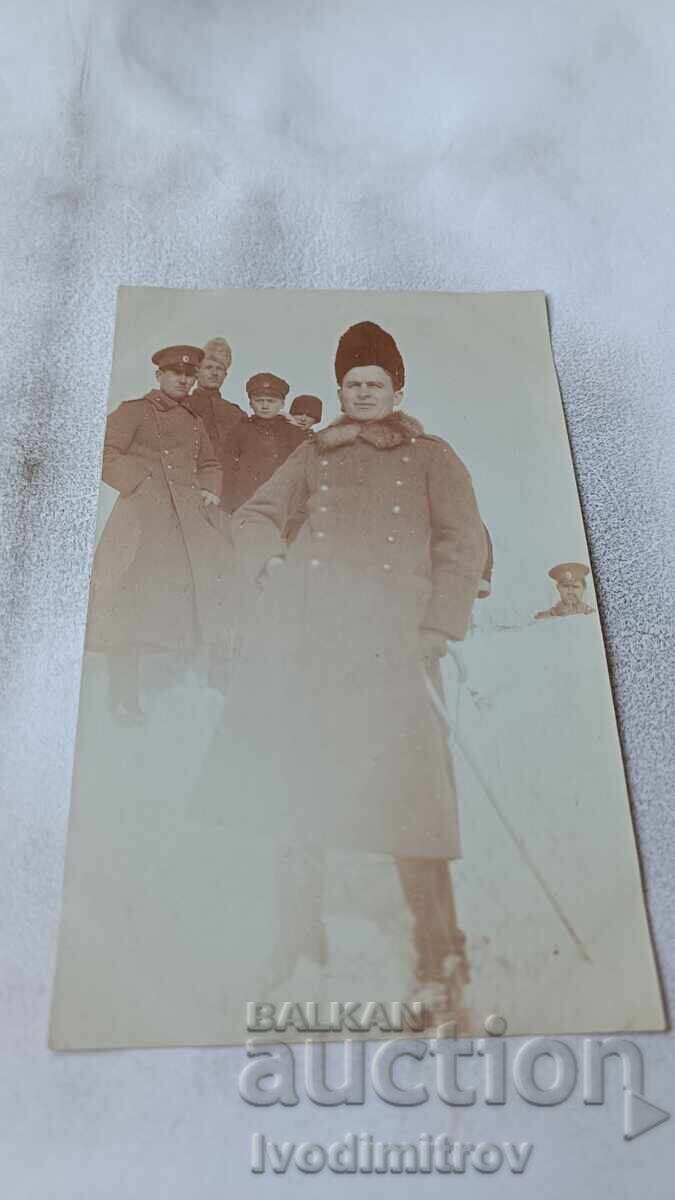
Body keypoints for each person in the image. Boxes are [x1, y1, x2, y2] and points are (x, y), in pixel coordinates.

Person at [194, 321, 487, 1009]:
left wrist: (440, 623)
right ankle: (297, 944)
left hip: (396, 648)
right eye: (351, 384)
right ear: (339, 390)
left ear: (396, 389)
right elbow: (255, 517)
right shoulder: (313, 455)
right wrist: (270, 561)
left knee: (414, 807)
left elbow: (461, 542)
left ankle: (439, 953)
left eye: (374, 383)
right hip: (312, 650)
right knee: (297, 795)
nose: (361, 393)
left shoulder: (430, 456)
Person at [86, 345, 235, 723]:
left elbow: (211, 463)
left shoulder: (194, 421)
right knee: (128, 605)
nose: (183, 379)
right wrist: (139, 482)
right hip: (140, 521)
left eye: (189, 374)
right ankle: (123, 696)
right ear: (159, 376)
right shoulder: (134, 411)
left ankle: (180, 691)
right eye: (174, 373)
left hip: (182, 526)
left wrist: (209, 488)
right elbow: (101, 450)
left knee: (180, 604)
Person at [220, 372, 306, 513]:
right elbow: (227, 469)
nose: (265, 406)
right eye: (259, 400)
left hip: (284, 505)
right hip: (246, 503)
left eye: (271, 401)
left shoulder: (296, 435)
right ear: (250, 403)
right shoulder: (239, 431)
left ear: (282, 404)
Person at [188, 337, 246, 482]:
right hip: (190, 482)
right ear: (197, 372)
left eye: (219, 369)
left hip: (228, 485)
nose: (214, 373)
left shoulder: (236, 413)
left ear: (225, 375)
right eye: (208, 367)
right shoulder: (182, 405)